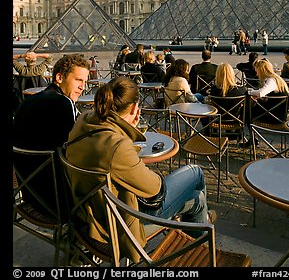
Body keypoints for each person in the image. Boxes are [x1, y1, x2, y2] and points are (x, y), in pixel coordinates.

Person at [65, 77, 216, 263]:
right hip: (118, 227)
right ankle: (198, 250)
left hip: (86, 215)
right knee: (195, 172)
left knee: (197, 199)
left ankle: (200, 228)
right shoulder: (117, 146)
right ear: (136, 109)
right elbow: (156, 192)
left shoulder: (84, 121)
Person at [13, 54, 90, 214]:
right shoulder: (64, 103)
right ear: (59, 77)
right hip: (58, 200)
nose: (83, 87)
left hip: (29, 195)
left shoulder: (29, 102)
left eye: (85, 81)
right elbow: (78, 150)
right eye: (78, 80)